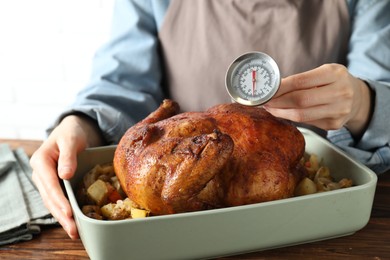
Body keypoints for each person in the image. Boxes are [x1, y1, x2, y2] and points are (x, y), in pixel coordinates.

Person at [30, 0, 390, 239]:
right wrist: (79, 123)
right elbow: (121, 81)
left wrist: (363, 101)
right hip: (174, 206)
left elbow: (381, 81)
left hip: (311, 221)